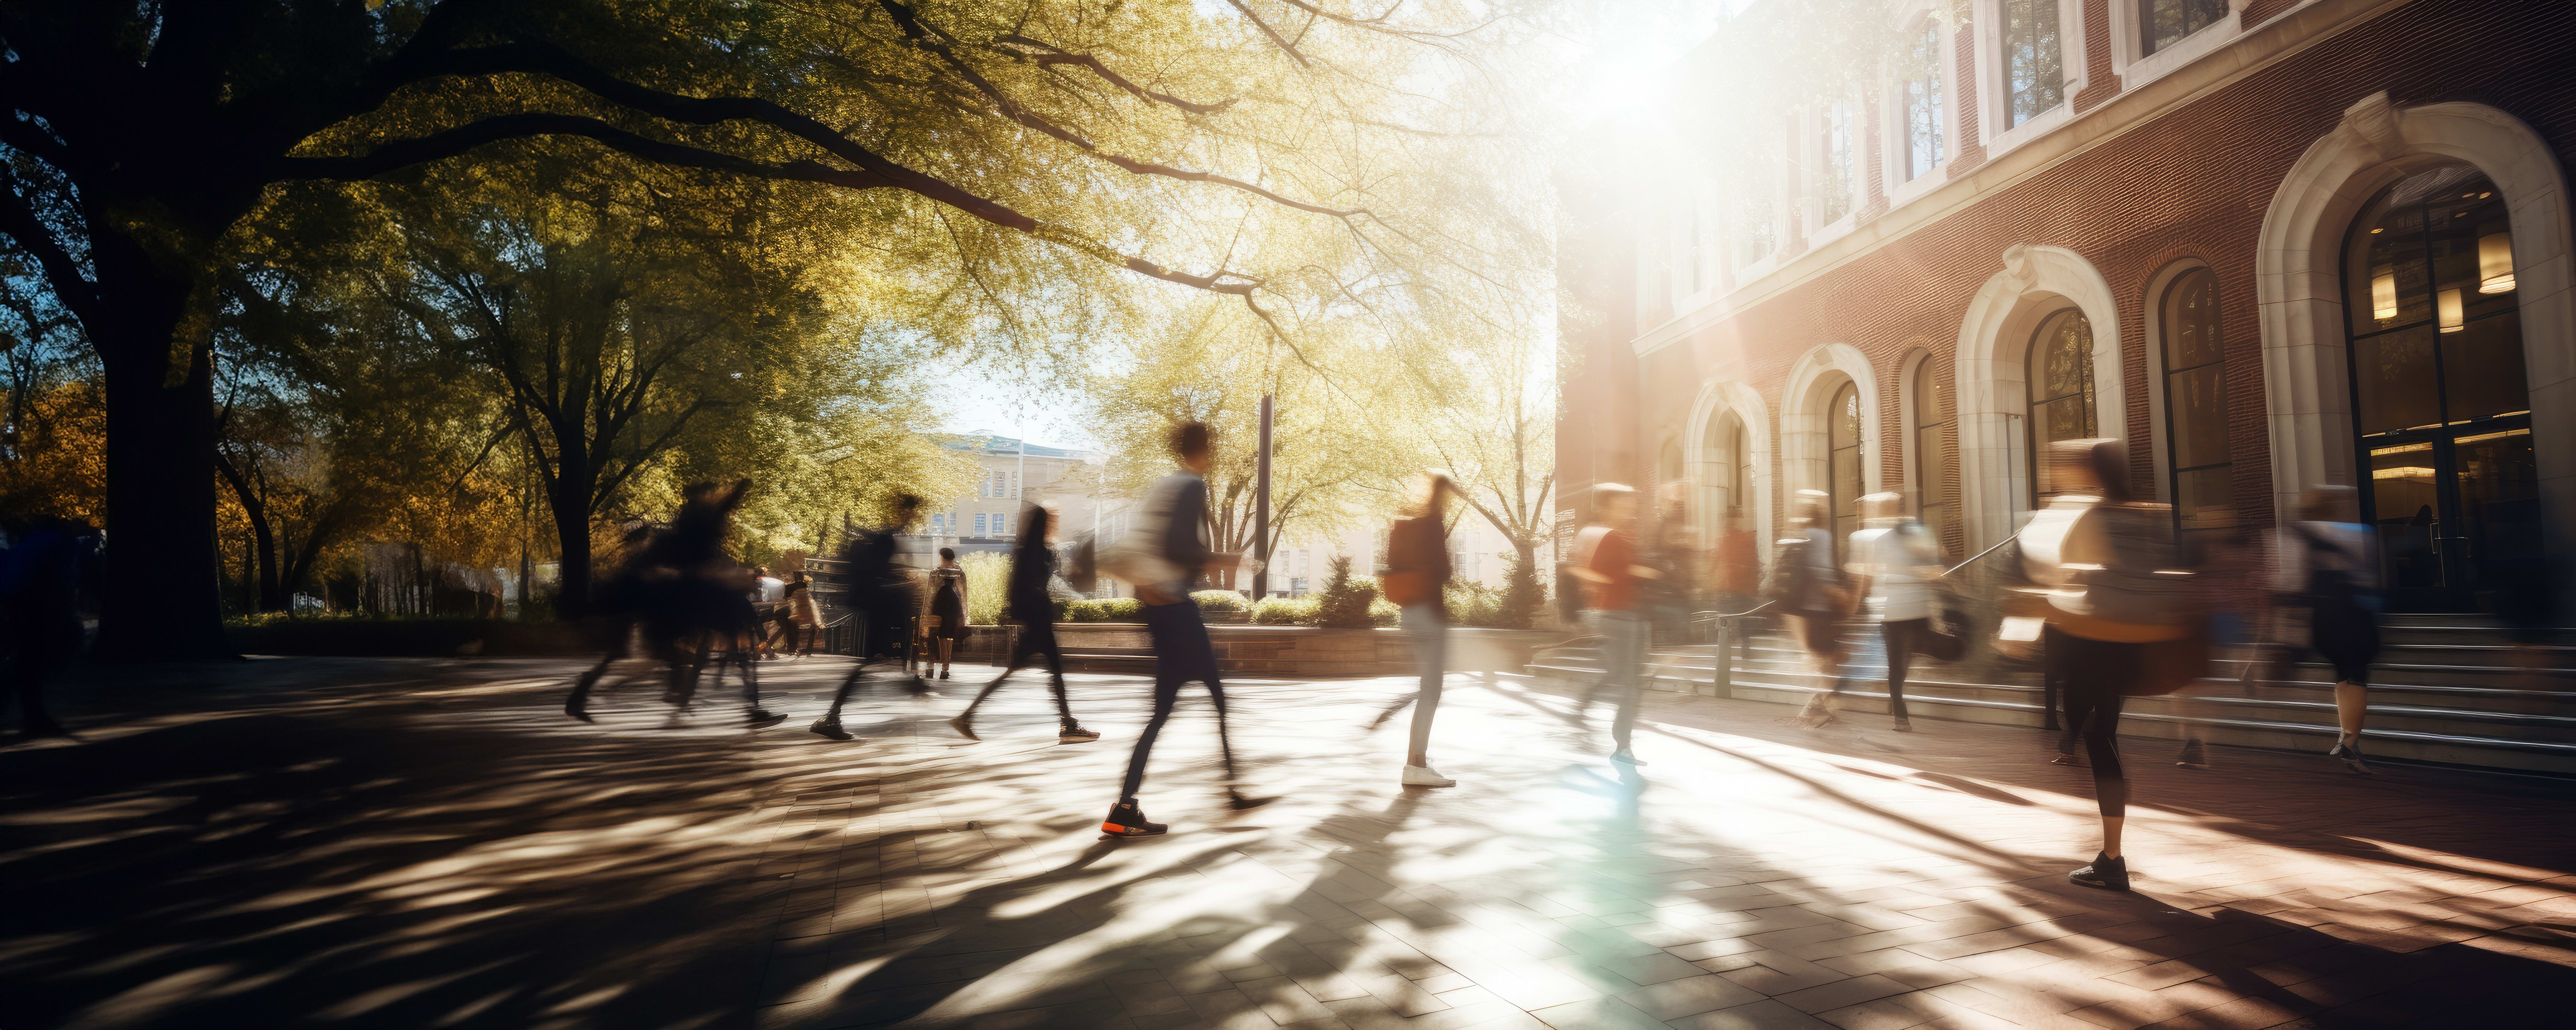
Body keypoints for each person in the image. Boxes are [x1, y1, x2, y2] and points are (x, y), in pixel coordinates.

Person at [2016, 439, 2195, 892]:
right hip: (2136, 647)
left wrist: (2022, 628)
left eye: (2066, 466)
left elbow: (2056, 575)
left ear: (2088, 473)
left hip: (2098, 641)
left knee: (2098, 737)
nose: (2059, 473)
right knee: (2103, 734)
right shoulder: (2147, 514)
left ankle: (2113, 859)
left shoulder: (2086, 515)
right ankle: (2110, 853)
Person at [1100, 422, 1272, 837]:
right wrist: (1234, 561)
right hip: (1176, 609)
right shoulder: (1192, 486)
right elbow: (1179, 548)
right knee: (1216, 696)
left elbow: (1160, 546)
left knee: (1163, 713)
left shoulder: (1168, 485)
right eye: (1213, 445)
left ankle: (1124, 807)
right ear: (1205, 448)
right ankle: (1233, 793)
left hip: (1158, 609)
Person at [951, 504, 1098, 743]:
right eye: (1050, 522)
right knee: (1056, 671)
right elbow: (1062, 582)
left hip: (1034, 619)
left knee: (1019, 671)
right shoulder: (1042, 553)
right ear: (1043, 525)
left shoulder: (1023, 551)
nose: (1054, 525)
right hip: (1040, 619)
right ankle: (1068, 724)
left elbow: (1017, 588)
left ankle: (967, 716)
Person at [2278, 486, 2381, 773]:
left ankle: (2344, 735)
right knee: (2356, 676)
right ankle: (2350, 742)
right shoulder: (2358, 533)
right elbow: (2369, 578)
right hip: (2355, 617)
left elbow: (2289, 582)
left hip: (2320, 620)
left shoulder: (2294, 533)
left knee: (2340, 675)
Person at [812, 494, 929, 741]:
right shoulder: (884, 544)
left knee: (870, 662)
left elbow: (872, 535)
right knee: (869, 662)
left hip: (879, 611)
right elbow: (882, 540)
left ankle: (833, 716)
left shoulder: (881, 545)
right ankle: (832, 717)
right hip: (881, 612)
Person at [1378, 472, 1460, 787]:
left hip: (1408, 612)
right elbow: (1444, 570)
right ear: (1444, 495)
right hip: (1429, 613)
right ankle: (1417, 764)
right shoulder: (1434, 523)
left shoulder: (1407, 524)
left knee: (1428, 688)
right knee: (1432, 690)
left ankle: (1417, 761)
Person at [1569, 483, 1655, 765]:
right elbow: (1588, 570)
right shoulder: (1607, 536)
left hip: (1628, 614)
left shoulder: (1620, 535)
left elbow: (1619, 569)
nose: (1628, 507)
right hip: (1619, 616)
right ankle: (1623, 747)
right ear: (1606, 507)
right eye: (1621, 503)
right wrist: (1626, 577)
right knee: (1631, 683)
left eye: (1630, 503)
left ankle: (1584, 706)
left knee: (1621, 676)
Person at [1847, 493, 1938, 732]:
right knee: (1898, 662)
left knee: (1898, 662)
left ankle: (1898, 708)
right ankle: (1899, 710)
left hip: (1906, 606)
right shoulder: (1908, 532)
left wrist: (1856, 603)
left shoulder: (1907, 532)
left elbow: (1863, 575)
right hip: (1897, 607)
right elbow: (1933, 568)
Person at [2, 516, 94, 738]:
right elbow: (62, 579)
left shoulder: (30, 543)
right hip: (40, 605)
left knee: (30, 660)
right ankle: (31, 712)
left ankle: (33, 715)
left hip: (20, 602)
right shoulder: (64, 544)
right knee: (43, 657)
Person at [1773, 491, 1854, 728]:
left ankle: (1819, 702)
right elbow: (1823, 571)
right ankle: (1821, 703)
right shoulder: (1821, 536)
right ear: (1821, 515)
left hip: (1802, 610)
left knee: (1824, 658)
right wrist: (1842, 597)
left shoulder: (1798, 536)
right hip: (1821, 609)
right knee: (1836, 656)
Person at [922, 547, 968, 680]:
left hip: (940, 604)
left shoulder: (937, 571)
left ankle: (930, 667)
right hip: (954, 604)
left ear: (942, 556)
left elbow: (931, 593)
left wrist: (927, 611)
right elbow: (963, 592)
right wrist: (963, 613)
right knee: (950, 636)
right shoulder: (959, 570)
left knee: (937, 635)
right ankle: (945, 669)